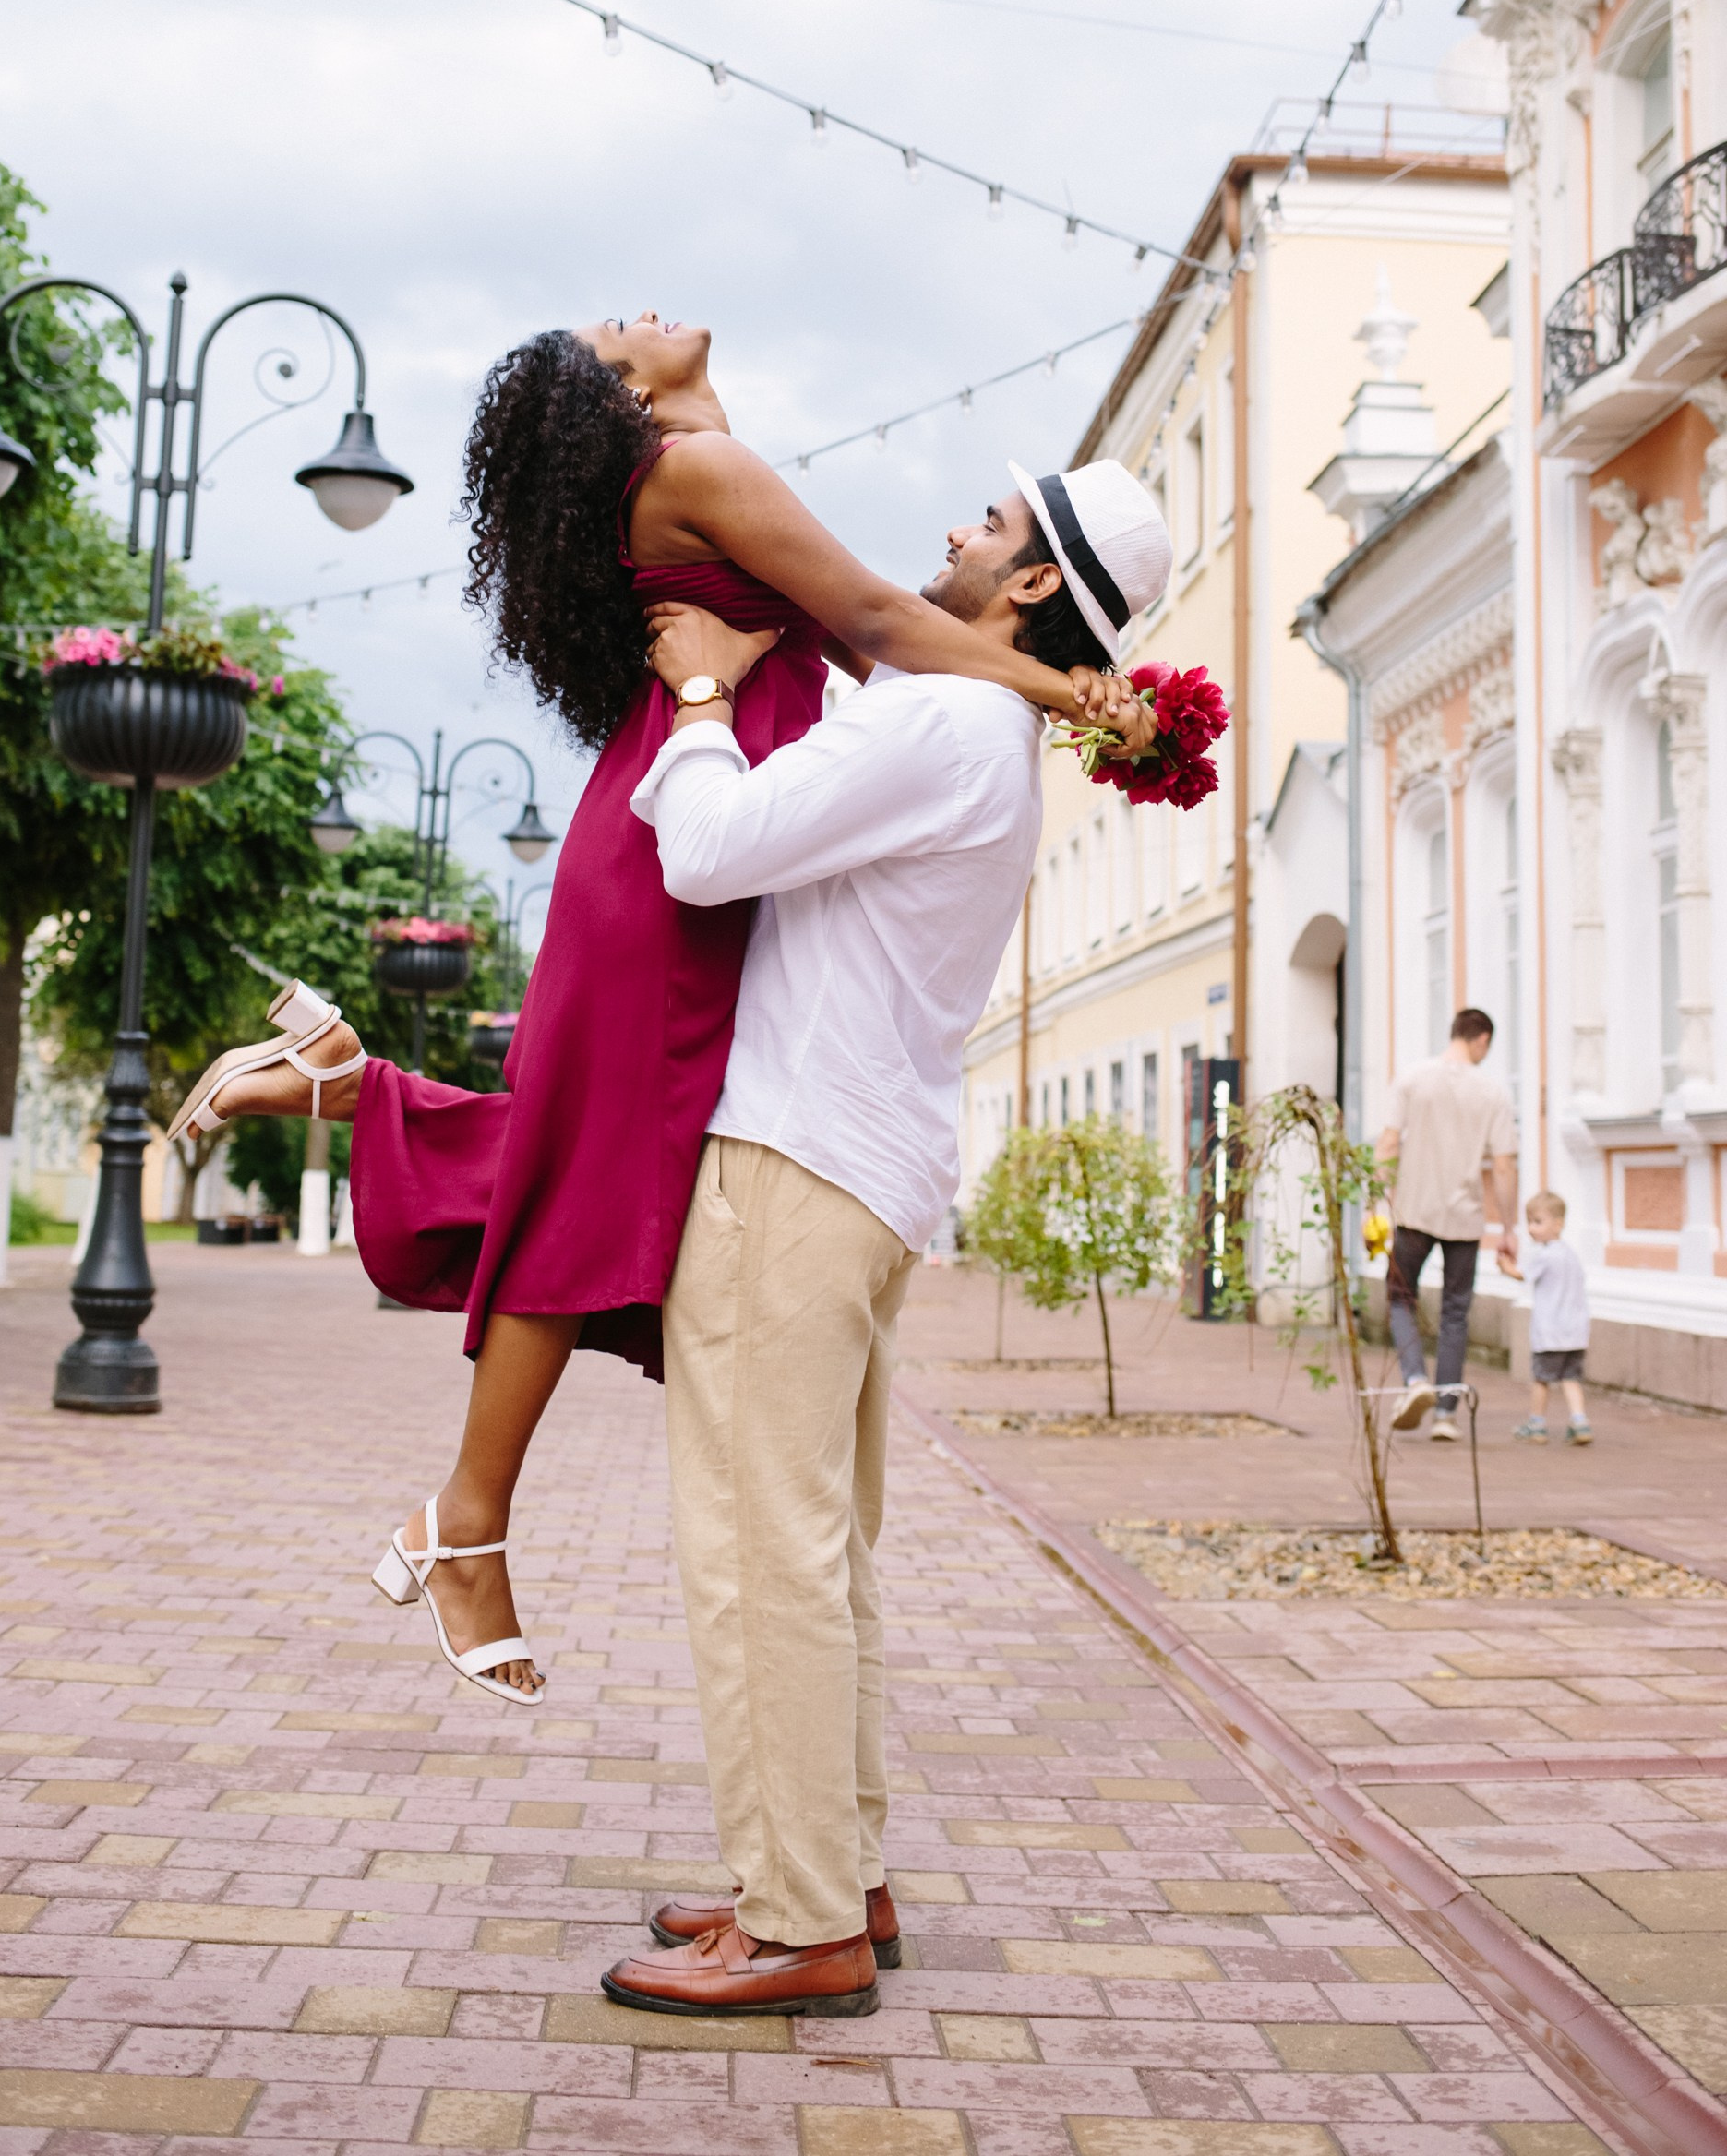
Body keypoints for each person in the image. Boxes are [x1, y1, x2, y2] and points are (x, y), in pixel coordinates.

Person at [171, 316, 1134, 1702]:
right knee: (601, 1176)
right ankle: (467, 1516)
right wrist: (1084, 704)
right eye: (611, 330)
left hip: (688, 829)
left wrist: (1002, 708)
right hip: (680, 853)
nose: (632, 315)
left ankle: (351, 1096)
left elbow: (874, 656)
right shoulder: (705, 464)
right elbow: (874, 622)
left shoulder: (700, 470)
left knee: (603, 1159)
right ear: (630, 391)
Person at [598, 454, 1173, 2020]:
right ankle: (828, 1872)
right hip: (862, 1168)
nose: (953, 536)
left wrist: (702, 700)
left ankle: (798, 1922)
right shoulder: (982, 727)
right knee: (818, 1545)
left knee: (754, 1544)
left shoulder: (949, 718)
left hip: (794, 1163)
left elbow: (707, 851)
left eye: (989, 527)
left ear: (1036, 585)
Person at [1374, 1005, 1517, 1442]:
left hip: (1414, 1211)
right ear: (1482, 1040)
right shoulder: (1493, 1093)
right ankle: (1445, 1414)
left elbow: (1389, 1141)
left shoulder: (1413, 1079)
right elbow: (1506, 1164)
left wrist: (1376, 1202)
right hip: (1465, 1217)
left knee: (1400, 1296)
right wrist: (1509, 1229)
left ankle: (1415, 1378)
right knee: (1456, 1312)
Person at [1498, 1191, 1592, 1445]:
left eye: (1537, 1222)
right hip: (1575, 1332)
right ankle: (1579, 1420)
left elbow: (1522, 1276)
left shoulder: (1545, 1255)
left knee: (1541, 1379)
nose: (1531, 1228)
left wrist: (1506, 1268)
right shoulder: (1570, 1254)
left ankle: (1537, 1423)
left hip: (1550, 1331)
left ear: (1558, 1224)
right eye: (1529, 1221)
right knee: (1571, 1378)